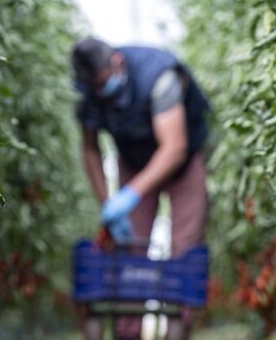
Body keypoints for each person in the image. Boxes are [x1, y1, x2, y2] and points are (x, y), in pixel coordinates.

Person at [71, 37, 210, 340]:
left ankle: (177, 332)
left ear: (117, 62)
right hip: (133, 161)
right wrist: (108, 203)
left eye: (103, 84)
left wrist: (131, 195)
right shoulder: (89, 93)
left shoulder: (159, 77)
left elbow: (174, 148)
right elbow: (90, 148)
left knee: (183, 253)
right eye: (94, 87)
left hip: (182, 162)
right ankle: (127, 333)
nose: (100, 92)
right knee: (130, 254)